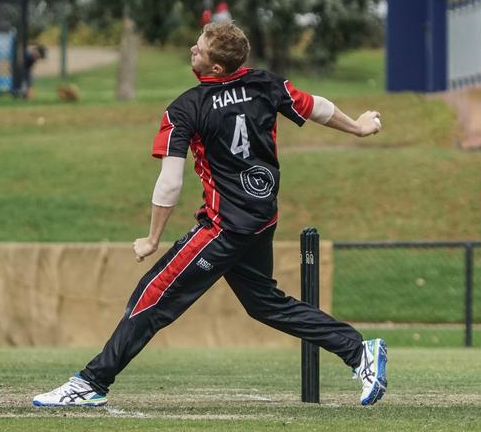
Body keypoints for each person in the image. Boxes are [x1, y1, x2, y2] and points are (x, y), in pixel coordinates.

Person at [32, 22, 387, 407]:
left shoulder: (186, 108)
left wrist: (152, 239)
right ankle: (359, 350)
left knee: (152, 296)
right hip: (261, 220)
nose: (191, 49)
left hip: (224, 227)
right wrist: (358, 128)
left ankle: (91, 383)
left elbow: (170, 182)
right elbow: (316, 105)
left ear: (216, 68)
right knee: (264, 303)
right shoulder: (265, 84)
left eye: (198, 49)